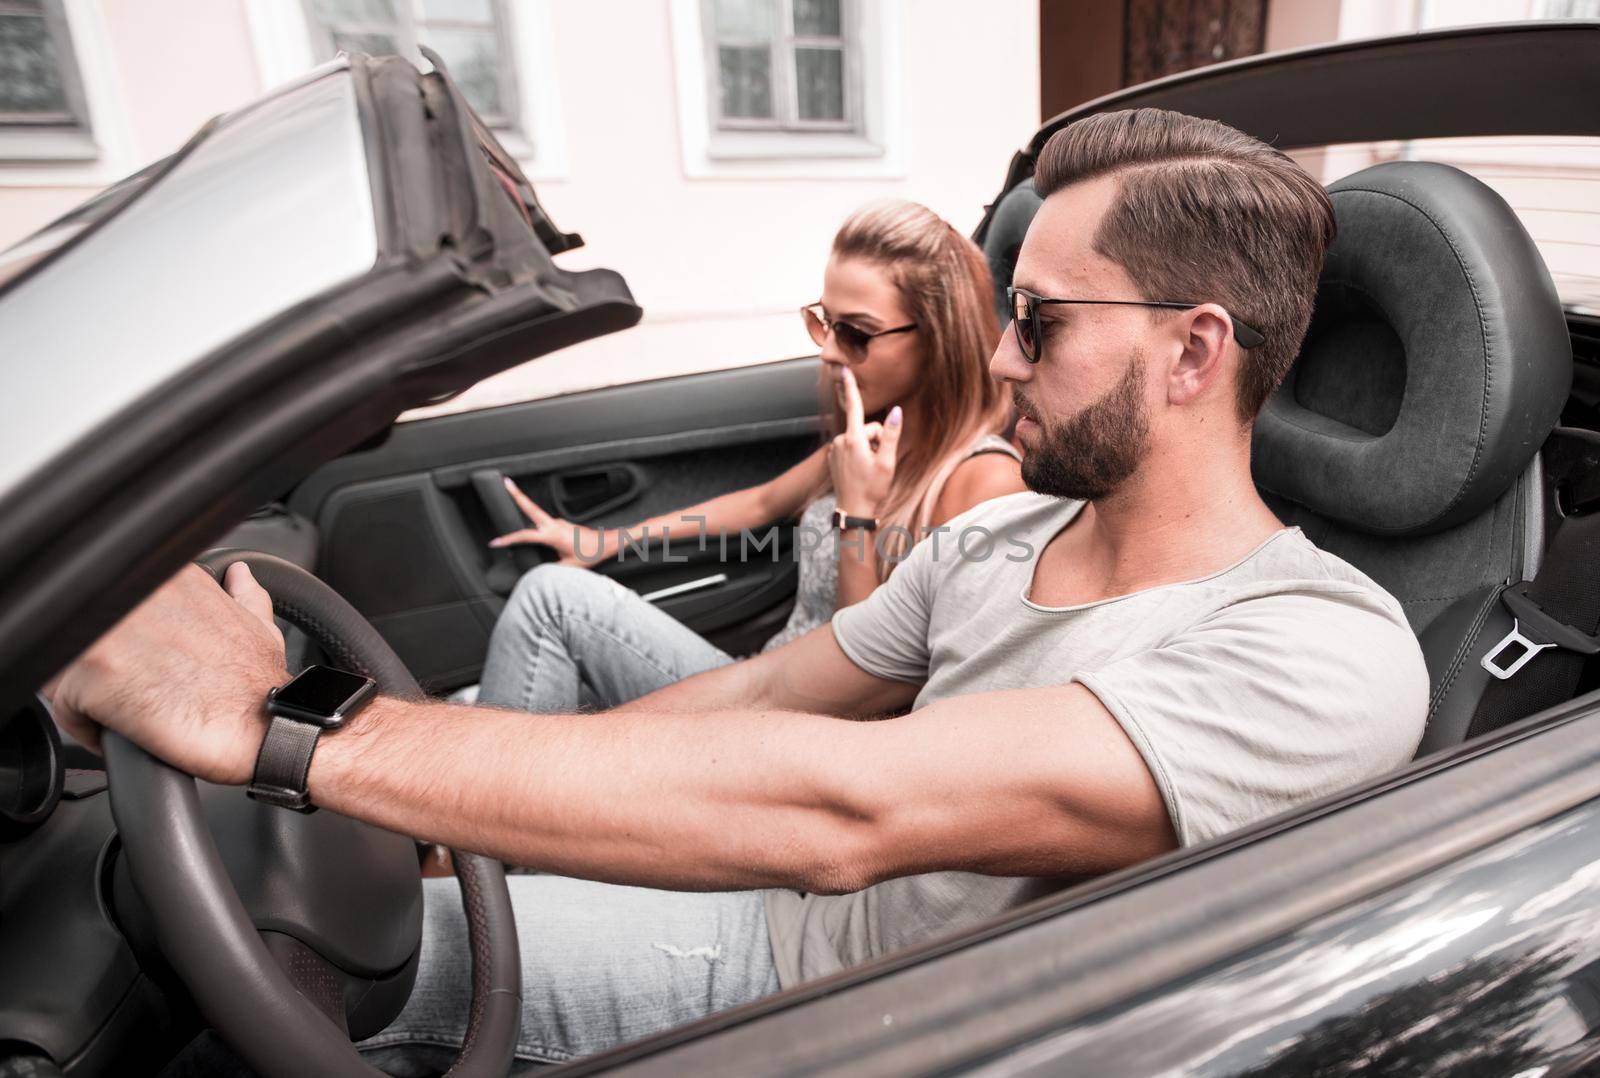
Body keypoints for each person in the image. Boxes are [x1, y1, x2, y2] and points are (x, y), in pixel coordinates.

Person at [50, 109, 1431, 1073]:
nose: (1003, 361)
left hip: (857, 998)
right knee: (366, 911)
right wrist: (492, 812)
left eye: (1043, 320)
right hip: (773, 904)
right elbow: (768, 688)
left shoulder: (1321, 649)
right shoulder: (1000, 548)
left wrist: (294, 728)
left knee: (360, 958)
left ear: (1194, 354)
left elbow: (851, 807)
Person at [474, 200, 1024, 718]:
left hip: (803, 729)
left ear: (940, 340)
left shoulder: (983, 483)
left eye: (856, 333)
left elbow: (868, 694)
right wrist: (608, 541)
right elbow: (761, 504)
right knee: (489, 685)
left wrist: (858, 515)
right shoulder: (874, 443)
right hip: (761, 683)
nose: (829, 351)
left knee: (553, 603)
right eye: (824, 322)